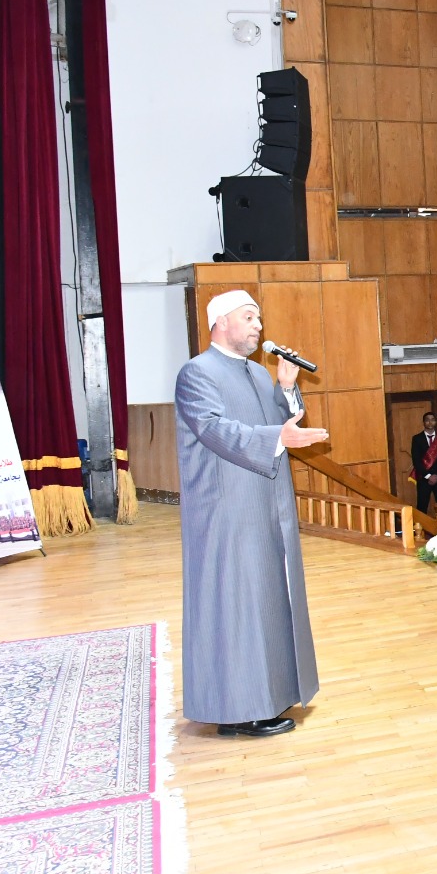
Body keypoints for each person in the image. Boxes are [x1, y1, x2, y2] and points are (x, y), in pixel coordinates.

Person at [176, 290, 327, 738]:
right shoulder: (196, 373)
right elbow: (216, 429)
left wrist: (284, 385)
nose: (259, 325)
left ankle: (270, 695)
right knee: (238, 605)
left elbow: (286, 423)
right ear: (221, 322)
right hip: (228, 511)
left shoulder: (260, 375)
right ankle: (237, 709)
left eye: (259, 317)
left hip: (266, 505)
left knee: (269, 598)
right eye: (249, 317)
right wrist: (278, 436)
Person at [411, 412, 437, 530]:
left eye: (432, 419)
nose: (430, 422)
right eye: (427, 420)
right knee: (422, 505)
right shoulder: (417, 439)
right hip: (424, 478)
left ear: (435, 422)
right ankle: (420, 530)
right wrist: (428, 476)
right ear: (424, 422)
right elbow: (416, 461)